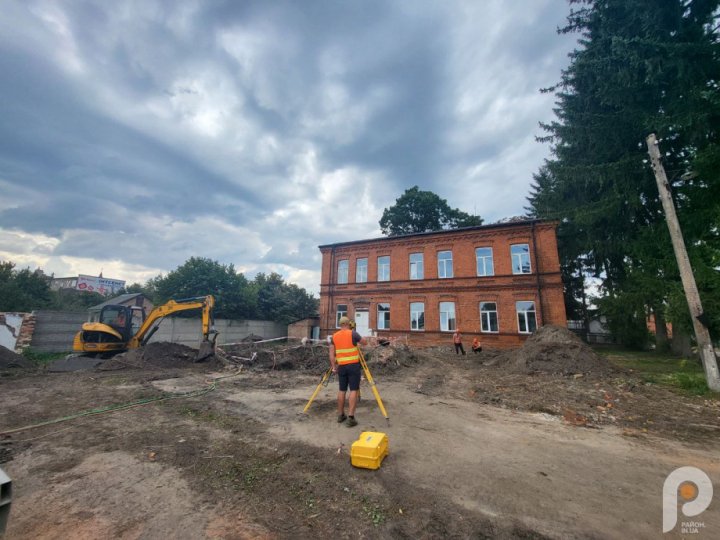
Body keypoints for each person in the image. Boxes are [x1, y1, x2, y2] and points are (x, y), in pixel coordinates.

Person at [329, 316, 365, 427]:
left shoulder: (334, 336)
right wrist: (357, 341)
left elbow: (331, 354)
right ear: (348, 324)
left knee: (342, 390)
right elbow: (365, 342)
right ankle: (351, 418)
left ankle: (340, 415)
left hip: (342, 367)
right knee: (353, 390)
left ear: (340, 324)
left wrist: (334, 367)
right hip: (353, 366)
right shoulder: (353, 333)